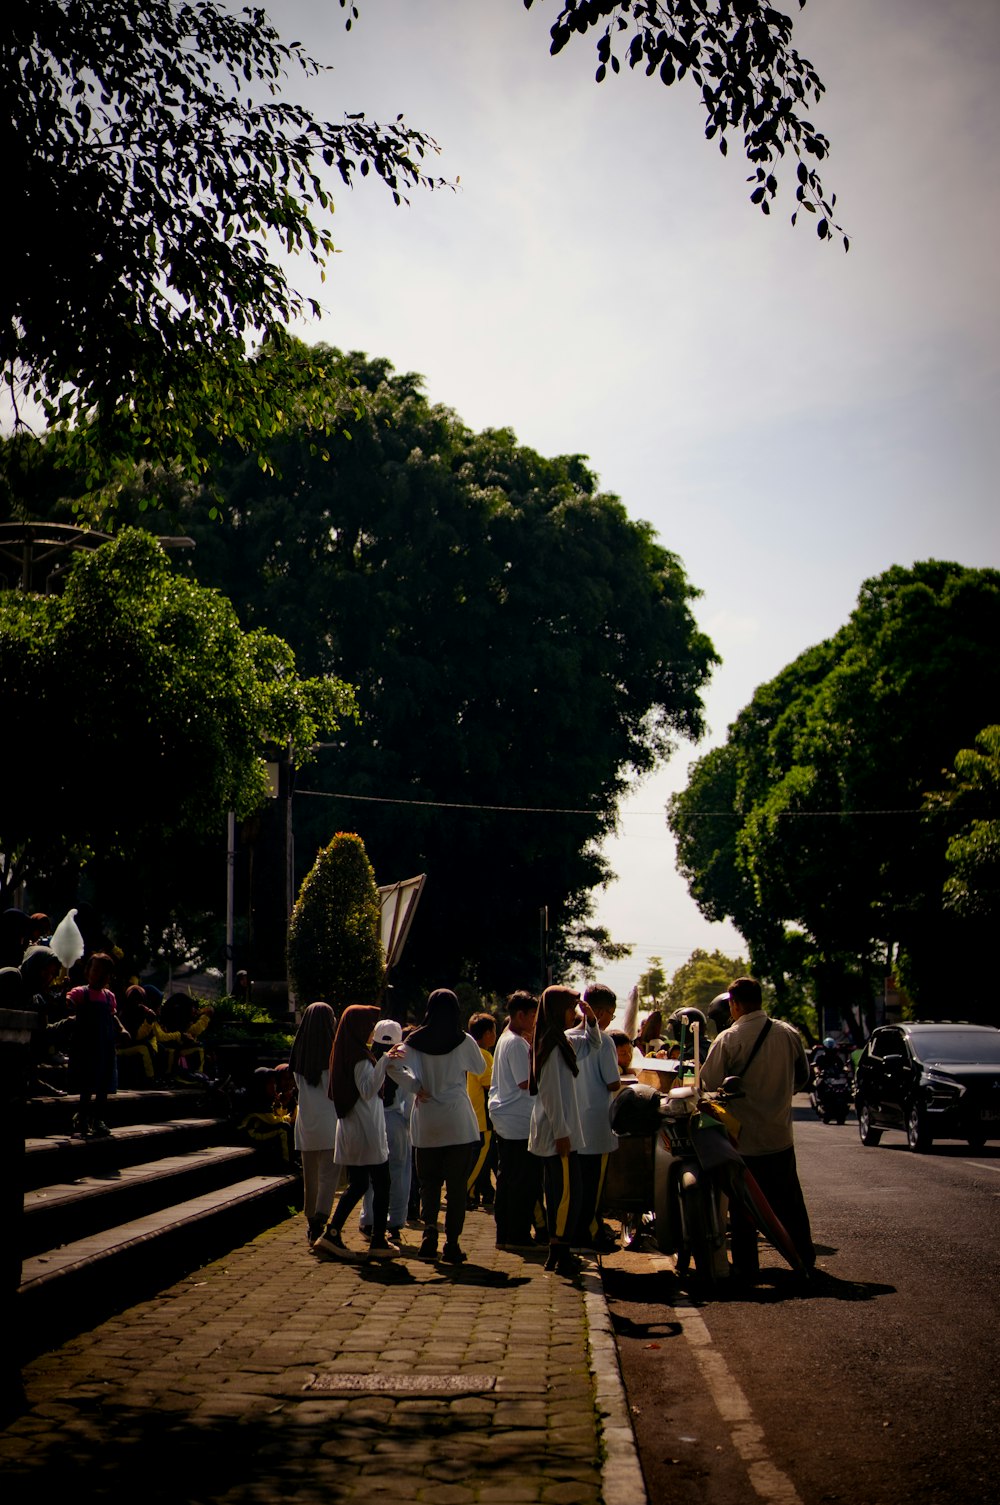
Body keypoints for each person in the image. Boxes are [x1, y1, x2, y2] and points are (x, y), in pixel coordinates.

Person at [700, 976, 815, 1281]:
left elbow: (707, 1085)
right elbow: (803, 1077)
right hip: (780, 1134)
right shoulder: (789, 1033)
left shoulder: (728, 1039)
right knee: (790, 1200)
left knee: (744, 1208)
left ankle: (747, 1267)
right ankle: (805, 1257)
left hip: (744, 1140)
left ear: (734, 1005)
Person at [397, 989, 485, 1265]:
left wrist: (415, 1085)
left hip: (427, 1119)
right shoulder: (464, 1039)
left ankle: (429, 1234)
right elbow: (480, 1068)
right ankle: (453, 1244)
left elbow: (391, 1066)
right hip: (458, 1121)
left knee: (429, 1184)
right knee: (457, 1187)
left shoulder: (414, 1040)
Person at [312, 1004, 398, 1263]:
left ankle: (333, 1232)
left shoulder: (348, 1052)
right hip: (364, 1130)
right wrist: (385, 1061)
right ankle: (379, 1239)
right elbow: (368, 1090)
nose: (372, 1032)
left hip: (358, 1128)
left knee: (359, 1183)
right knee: (381, 1183)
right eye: (370, 1027)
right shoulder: (360, 1057)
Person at [528, 986, 588, 1276]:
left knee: (565, 1193)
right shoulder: (551, 1045)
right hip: (557, 1134)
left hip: (561, 1131)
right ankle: (559, 1251)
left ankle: (558, 1251)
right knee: (565, 1195)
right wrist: (562, 1132)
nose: (573, 1014)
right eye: (570, 1008)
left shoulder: (558, 1040)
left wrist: (590, 1022)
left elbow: (595, 1044)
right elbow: (550, 1093)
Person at [488, 990, 543, 1251]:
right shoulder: (517, 1043)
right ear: (520, 1015)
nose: (535, 1021)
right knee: (522, 1181)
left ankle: (506, 1234)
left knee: (509, 1178)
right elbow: (526, 1082)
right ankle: (516, 1235)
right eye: (533, 1016)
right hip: (518, 1120)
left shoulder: (507, 1039)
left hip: (507, 1118)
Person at [570, 984, 620, 1252]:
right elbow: (613, 1083)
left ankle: (578, 1233)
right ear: (598, 1012)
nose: (611, 1020)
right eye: (611, 1014)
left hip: (572, 1124)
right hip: (597, 1124)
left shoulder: (565, 1037)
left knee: (575, 1184)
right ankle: (587, 1236)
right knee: (593, 1188)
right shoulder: (604, 1041)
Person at [289, 1002, 340, 1243]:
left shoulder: (299, 1053)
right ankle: (321, 1218)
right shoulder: (334, 1053)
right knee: (328, 1176)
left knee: (310, 1177)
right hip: (330, 1123)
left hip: (306, 1124)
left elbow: (299, 1087)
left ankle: (311, 1221)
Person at [359, 1018, 414, 1243]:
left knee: (372, 1174)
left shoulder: (368, 1062)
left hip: (373, 1121)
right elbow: (410, 1100)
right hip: (397, 1122)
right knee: (399, 1174)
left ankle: (369, 1219)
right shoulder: (403, 1063)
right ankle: (396, 1222)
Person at [66, 952, 123, 1136]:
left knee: (103, 1086)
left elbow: (113, 1017)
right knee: (87, 1085)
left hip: (105, 1047)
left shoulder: (109, 997)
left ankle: (98, 1119)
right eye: (96, 970)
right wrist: (65, 1000)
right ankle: (82, 1117)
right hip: (86, 1047)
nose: (100, 975)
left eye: (105, 972)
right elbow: (69, 1003)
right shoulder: (80, 993)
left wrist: (122, 1029)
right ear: (87, 971)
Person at [465, 1012, 496, 1209]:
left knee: (478, 1158)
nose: (495, 1035)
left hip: (471, 1114)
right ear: (486, 1034)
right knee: (478, 1159)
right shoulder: (484, 1055)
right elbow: (490, 1084)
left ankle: (473, 1191)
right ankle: (464, 1191)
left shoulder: (468, 1052)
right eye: (494, 1031)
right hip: (482, 1117)